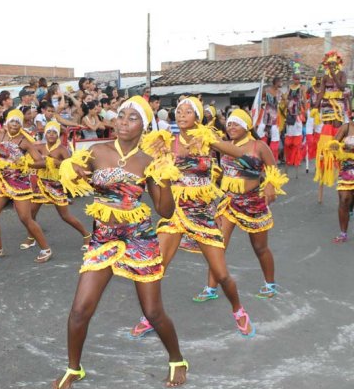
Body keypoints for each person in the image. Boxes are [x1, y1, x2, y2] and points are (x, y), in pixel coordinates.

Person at [51, 96, 187, 389]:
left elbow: (165, 211)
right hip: (103, 238)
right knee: (79, 310)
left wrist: (163, 172)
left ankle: (177, 359)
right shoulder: (97, 151)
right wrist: (71, 171)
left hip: (139, 239)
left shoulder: (149, 161)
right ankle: (75, 367)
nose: (124, 121)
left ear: (144, 126)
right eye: (121, 115)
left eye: (132, 117)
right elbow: (69, 170)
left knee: (153, 312)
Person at [130, 96, 256, 339]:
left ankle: (238, 310)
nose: (182, 114)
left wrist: (218, 145)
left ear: (198, 117)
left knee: (221, 274)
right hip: (175, 211)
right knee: (156, 267)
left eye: (188, 111)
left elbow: (241, 154)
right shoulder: (165, 142)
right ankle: (150, 316)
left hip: (201, 213)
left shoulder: (207, 140)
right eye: (179, 110)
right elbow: (140, 161)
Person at [193, 109, 288, 301]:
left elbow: (273, 170)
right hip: (229, 202)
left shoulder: (259, 146)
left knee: (260, 248)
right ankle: (211, 288)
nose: (231, 127)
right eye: (229, 124)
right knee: (217, 245)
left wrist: (270, 185)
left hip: (253, 204)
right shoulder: (225, 146)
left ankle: (270, 284)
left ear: (247, 126)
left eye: (236, 124)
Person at [0, 109, 53, 262]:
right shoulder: (0, 136)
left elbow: (42, 162)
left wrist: (26, 163)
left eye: (18, 122)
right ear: (7, 123)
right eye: (12, 121)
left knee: (25, 218)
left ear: (21, 125)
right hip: (2, 181)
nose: (14, 124)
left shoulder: (25, 141)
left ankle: (46, 249)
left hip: (19, 184)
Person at [19, 121, 91, 251]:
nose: (51, 135)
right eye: (49, 132)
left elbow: (68, 166)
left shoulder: (62, 149)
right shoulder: (40, 147)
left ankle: (87, 235)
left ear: (58, 135)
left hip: (56, 185)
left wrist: (52, 161)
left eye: (54, 132)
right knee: (30, 213)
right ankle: (31, 237)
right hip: (41, 184)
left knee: (65, 216)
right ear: (45, 134)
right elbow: (31, 159)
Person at [314, 50, 348, 203]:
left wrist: (333, 74)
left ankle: (338, 150)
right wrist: (315, 105)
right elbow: (321, 92)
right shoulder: (324, 76)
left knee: (337, 126)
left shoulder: (341, 74)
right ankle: (326, 152)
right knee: (327, 126)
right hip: (327, 105)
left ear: (338, 63)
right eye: (330, 64)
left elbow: (341, 87)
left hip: (338, 105)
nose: (332, 66)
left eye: (334, 64)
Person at [325, 120, 354, 242]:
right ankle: (343, 234)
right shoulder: (347, 127)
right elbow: (333, 144)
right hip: (348, 168)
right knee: (344, 199)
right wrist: (339, 147)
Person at [284, 74, 306, 178]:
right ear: (293, 79)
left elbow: (304, 100)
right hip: (290, 117)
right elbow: (285, 99)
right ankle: (288, 164)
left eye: (298, 79)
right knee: (288, 143)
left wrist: (304, 111)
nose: (297, 80)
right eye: (295, 79)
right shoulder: (289, 88)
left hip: (297, 116)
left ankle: (296, 164)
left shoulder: (301, 88)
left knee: (297, 144)